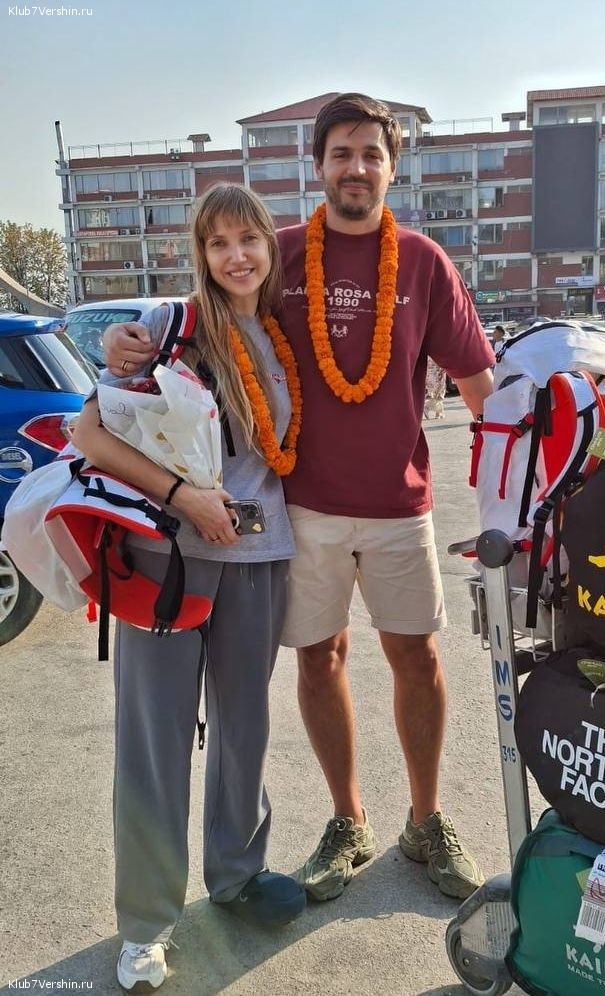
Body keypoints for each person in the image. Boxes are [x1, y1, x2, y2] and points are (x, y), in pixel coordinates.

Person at [104, 93, 495, 906]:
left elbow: (481, 386)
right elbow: (206, 313)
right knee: (321, 659)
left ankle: (425, 821)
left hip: (401, 505)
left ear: (392, 166)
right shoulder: (279, 254)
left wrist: (516, 501)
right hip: (301, 508)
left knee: (418, 657)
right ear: (317, 165)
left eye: (371, 154)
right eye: (341, 153)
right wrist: (123, 341)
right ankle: (348, 821)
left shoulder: (423, 261)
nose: (356, 168)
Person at [74, 184, 306, 993]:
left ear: (270, 246)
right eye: (218, 243)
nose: (236, 256)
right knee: (156, 739)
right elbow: (89, 432)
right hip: (165, 560)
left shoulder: (277, 333)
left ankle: (237, 875)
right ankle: (145, 925)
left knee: (244, 728)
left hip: (260, 558)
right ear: (199, 255)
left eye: (249, 239)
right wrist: (184, 498)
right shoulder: (171, 327)